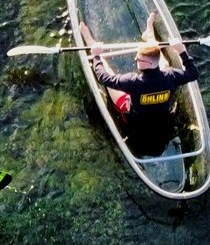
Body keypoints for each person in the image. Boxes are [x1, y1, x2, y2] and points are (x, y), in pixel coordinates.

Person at [81, 15, 198, 157]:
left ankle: (91, 44)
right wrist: (181, 51)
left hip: (135, 121)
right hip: (162, 120)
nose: (136, 59)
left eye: (138, 59)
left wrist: (97, 57)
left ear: (146, 63)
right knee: (165, 65)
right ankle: (150, 37)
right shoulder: (170, 76)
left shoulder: (133, 82)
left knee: (111, 80)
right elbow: (193, 73)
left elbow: (103, 78)